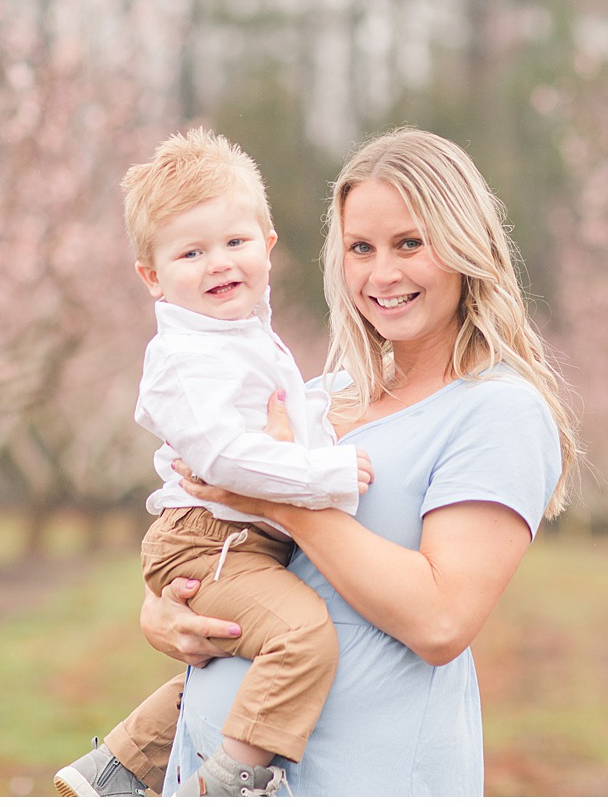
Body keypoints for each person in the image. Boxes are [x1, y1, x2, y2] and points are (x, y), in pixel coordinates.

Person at [91, 126, 581, 796]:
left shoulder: (496, 410)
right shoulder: (319, 398)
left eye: (410, 243)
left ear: (466, 245)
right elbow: (225, 542)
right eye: (361, 247)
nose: (383, 273)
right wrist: (161, 610)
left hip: (359, 776)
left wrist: (274, 496)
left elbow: (441, 620)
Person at [54, 128, 374, 798]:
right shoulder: (184, 356)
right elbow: (222, 457)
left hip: (232, 537)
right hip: (208, 538)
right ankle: (231, 781)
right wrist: (327, 474)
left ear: (268, 244)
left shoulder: (240, 335)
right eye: (190, 252)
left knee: (243, 653)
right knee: (300, 637)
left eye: (234, 242)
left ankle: (114, 769)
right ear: (152, 277)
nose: (219, 263)